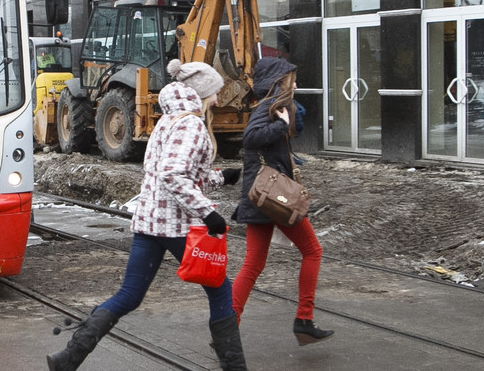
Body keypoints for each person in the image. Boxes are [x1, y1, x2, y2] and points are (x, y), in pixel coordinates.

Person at [46, 60, 246, 371]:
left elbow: (179, 173)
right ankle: (235, 367)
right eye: (217, 93)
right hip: (176, 226)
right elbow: (173, 175)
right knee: (220, 288)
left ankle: (68, 358)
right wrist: (208, 214)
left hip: (149, 222)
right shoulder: (190, 124)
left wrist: (221, 177)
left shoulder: (167, 121)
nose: (219, 100)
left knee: (129, 296)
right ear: (202, 93)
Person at [231, 57, 334, 346]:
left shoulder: (274, 105)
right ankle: (304, 319)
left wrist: (288, 121)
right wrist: (282, 125)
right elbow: (250, 138)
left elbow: (291, 131)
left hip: (262, 197)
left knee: (252, 264)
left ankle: (227, 327)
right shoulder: (268, 107)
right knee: (312, 251)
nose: (296, 83)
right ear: (281, 81)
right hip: (273, 197)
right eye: (292, 78)